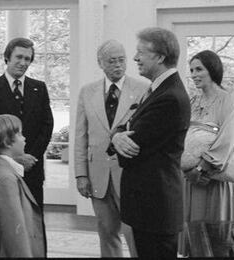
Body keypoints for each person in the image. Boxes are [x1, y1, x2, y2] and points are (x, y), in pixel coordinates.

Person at [109, 27, 191, 258]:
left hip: (155, 206)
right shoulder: (158, 90)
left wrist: (119, 137)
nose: (135, 58)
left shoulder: (169, 97)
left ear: (160, 57)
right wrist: (116, 135)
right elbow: (125, 127)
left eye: (140, 52)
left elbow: (129, 152)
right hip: (149, 204)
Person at [74, 40, 147, 257]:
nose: (118, 65)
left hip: (130, 174)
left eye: (121, 60)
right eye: (112, 61)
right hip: (98, 175)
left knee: (134, 232)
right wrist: (81, 174)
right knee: (106, 232)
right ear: (101, 63)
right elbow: (80, 136)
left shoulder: (143, 89)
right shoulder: (87, 92)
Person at [0, 37, 54, 210]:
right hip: (2, 167)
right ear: (7, 58)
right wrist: (14, 159)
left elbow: (47, 126)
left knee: (34, 218)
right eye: (18, 57)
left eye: (27, 59)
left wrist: (30, 158)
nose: (23, 62)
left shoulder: (39, 88)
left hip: (32, 167)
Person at [179, 50, 234, 256]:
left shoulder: (229, 100)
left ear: (212, 69)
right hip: (191, 181)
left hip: (215, 181)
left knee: (217, 243)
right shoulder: (193, 101)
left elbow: (228, 140)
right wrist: (187, 170)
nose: (194, 74)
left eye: (199, 69)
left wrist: (201, 169)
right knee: (195, 242)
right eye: (192, 70)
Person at [0, 114, 45, 258]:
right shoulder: (4, 178)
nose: (24, 138)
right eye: (20, 133)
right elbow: (15, 232)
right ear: (7, 141)